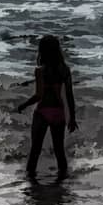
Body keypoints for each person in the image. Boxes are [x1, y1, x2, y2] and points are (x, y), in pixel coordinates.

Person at [17, 34, 77, 178]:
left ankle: (31, 182)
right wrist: (72, 118)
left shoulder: (40, 70)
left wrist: (24, 105)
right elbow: (69, 95)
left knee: (35, 151)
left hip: (43, 112)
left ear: (42, 51)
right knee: (59, 151)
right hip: (59, 112)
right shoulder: (64, 69)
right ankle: (63, 181)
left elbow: (39, 95)